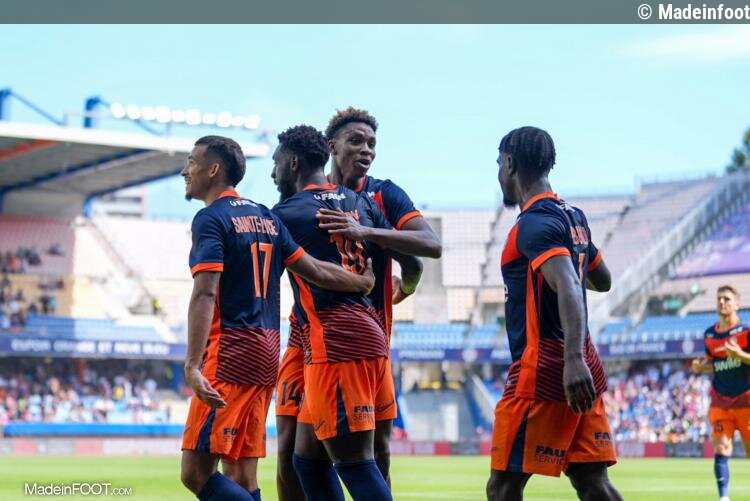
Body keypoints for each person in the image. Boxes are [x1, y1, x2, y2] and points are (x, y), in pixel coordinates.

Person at [179, 135, 375, 501]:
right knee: (241, 472)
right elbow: (315, 269)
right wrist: (361, 282)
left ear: (214, 170)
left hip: (230, 351)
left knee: (195, 473)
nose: (184, 171)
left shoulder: (210, 219)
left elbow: (205, 292)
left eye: (191, 162)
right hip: (268, 353)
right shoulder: (266, 217)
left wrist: (192, 365)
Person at [275, 107, 442, 500]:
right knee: (297, 452)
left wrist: (401, 282)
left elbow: (427, 250)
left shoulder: (379, 196)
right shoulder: (323, 199)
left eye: (371, 143)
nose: (366, 149)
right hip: (310, 334)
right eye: (356, 141)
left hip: (348, 335)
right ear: (330, 147)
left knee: (368, 454)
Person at [486, 126, 621, 501]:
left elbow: (569, 285)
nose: (498, 173)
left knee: (503, 486)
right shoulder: (572, 216)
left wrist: (572, 359)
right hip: (583, 365)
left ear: (510, 163)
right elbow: (602, 279)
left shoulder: (533, 222)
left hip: (546, 369)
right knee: (593, 481)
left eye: (498, 164)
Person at [692, 285, 750, 501]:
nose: (722, 302)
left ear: (737, 304)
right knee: (721, 448)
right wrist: (701, 368)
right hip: (720, 401)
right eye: (719, 299)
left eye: (727, 299)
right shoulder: (710, 335)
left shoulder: (746, 332)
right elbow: (715, 364)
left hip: (746, 400)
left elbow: (741, 359)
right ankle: (723, 498)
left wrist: (741, 355)